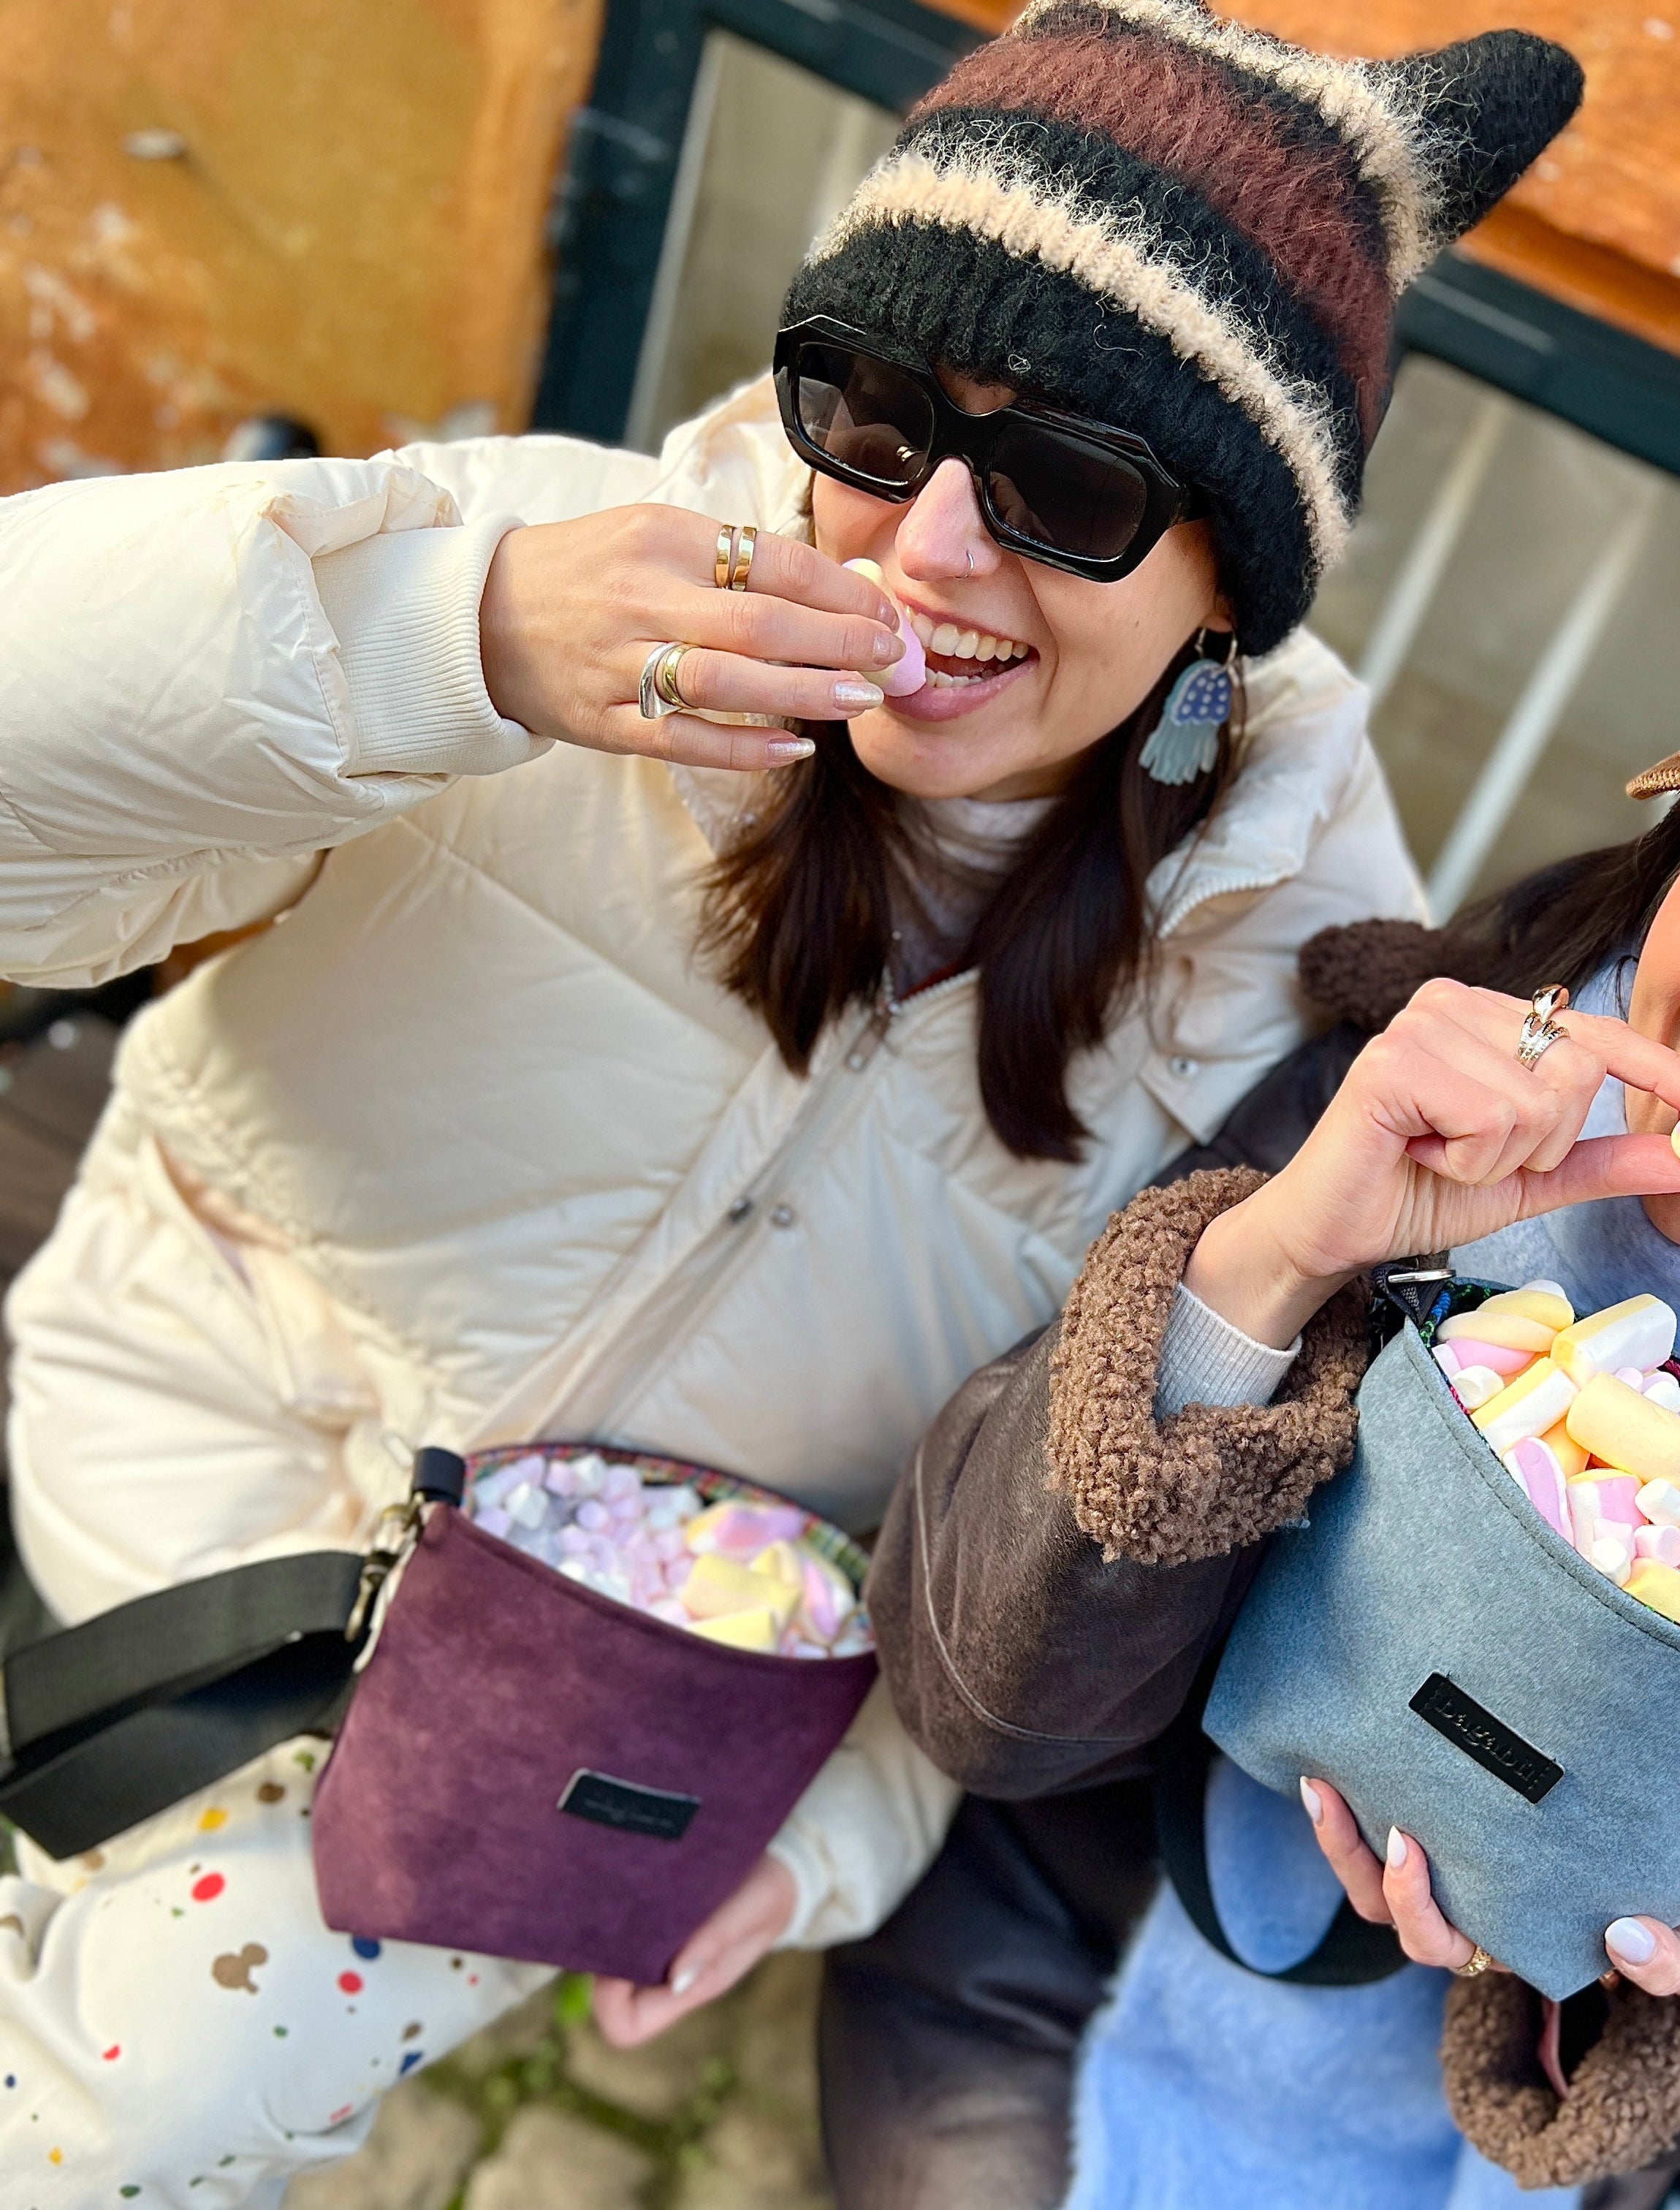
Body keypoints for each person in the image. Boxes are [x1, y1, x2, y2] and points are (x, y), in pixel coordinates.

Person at [0, 5, 1588, 2198]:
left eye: (1067, 486)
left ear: (1234, 577)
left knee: (139, 2117)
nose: (930, 548)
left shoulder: (1278, 987)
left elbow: (1048, 1518)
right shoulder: (563, 566)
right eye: (871, 413)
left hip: (572, 1707)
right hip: (150, 1459)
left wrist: (816, 1837)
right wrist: (433, 639)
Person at [857, 526, 1680, 2209]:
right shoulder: (1436, 1088)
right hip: (1056, 2006)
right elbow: (969, 1691)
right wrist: (1275, 1265)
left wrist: (1663, 1951)